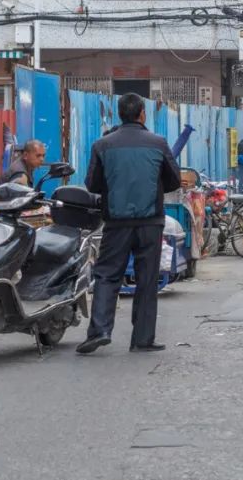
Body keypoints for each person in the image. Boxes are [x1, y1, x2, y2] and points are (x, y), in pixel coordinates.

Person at [77, 93, 180, 355]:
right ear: (142, 113)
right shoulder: (158, 143)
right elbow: (174, 181)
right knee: (147, 279)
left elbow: (93, 184)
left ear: (119, 113)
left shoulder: (102, 145)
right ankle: (143, 339)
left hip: (116, 221)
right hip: (151, 222)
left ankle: (100, 330)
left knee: (107, 274)